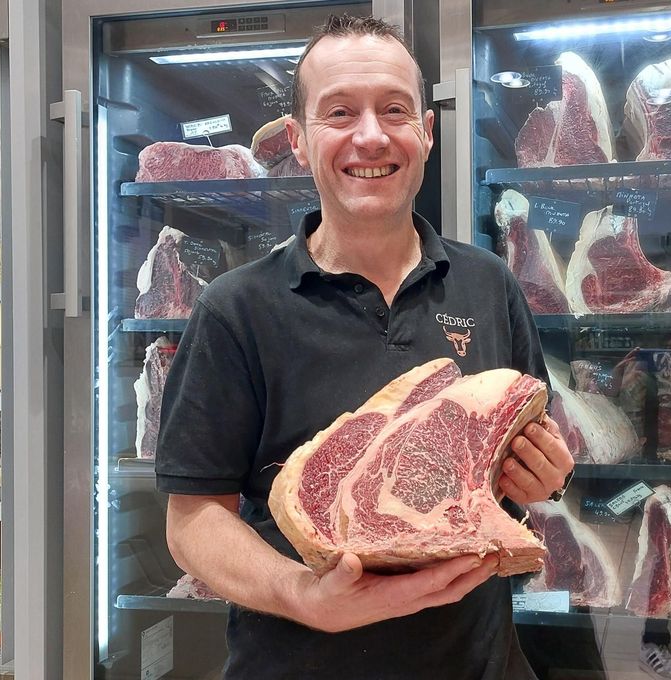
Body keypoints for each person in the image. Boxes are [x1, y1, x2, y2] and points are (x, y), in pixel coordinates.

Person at [155, 14, 574, 680]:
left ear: (427, 133)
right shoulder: (237, 310)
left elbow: (515, 457)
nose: (371, 136)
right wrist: (304, 596)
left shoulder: (487, 283)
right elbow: (193, 518)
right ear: (298, 140)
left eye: (395, 110)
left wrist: (543, 476)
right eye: (340, 113)